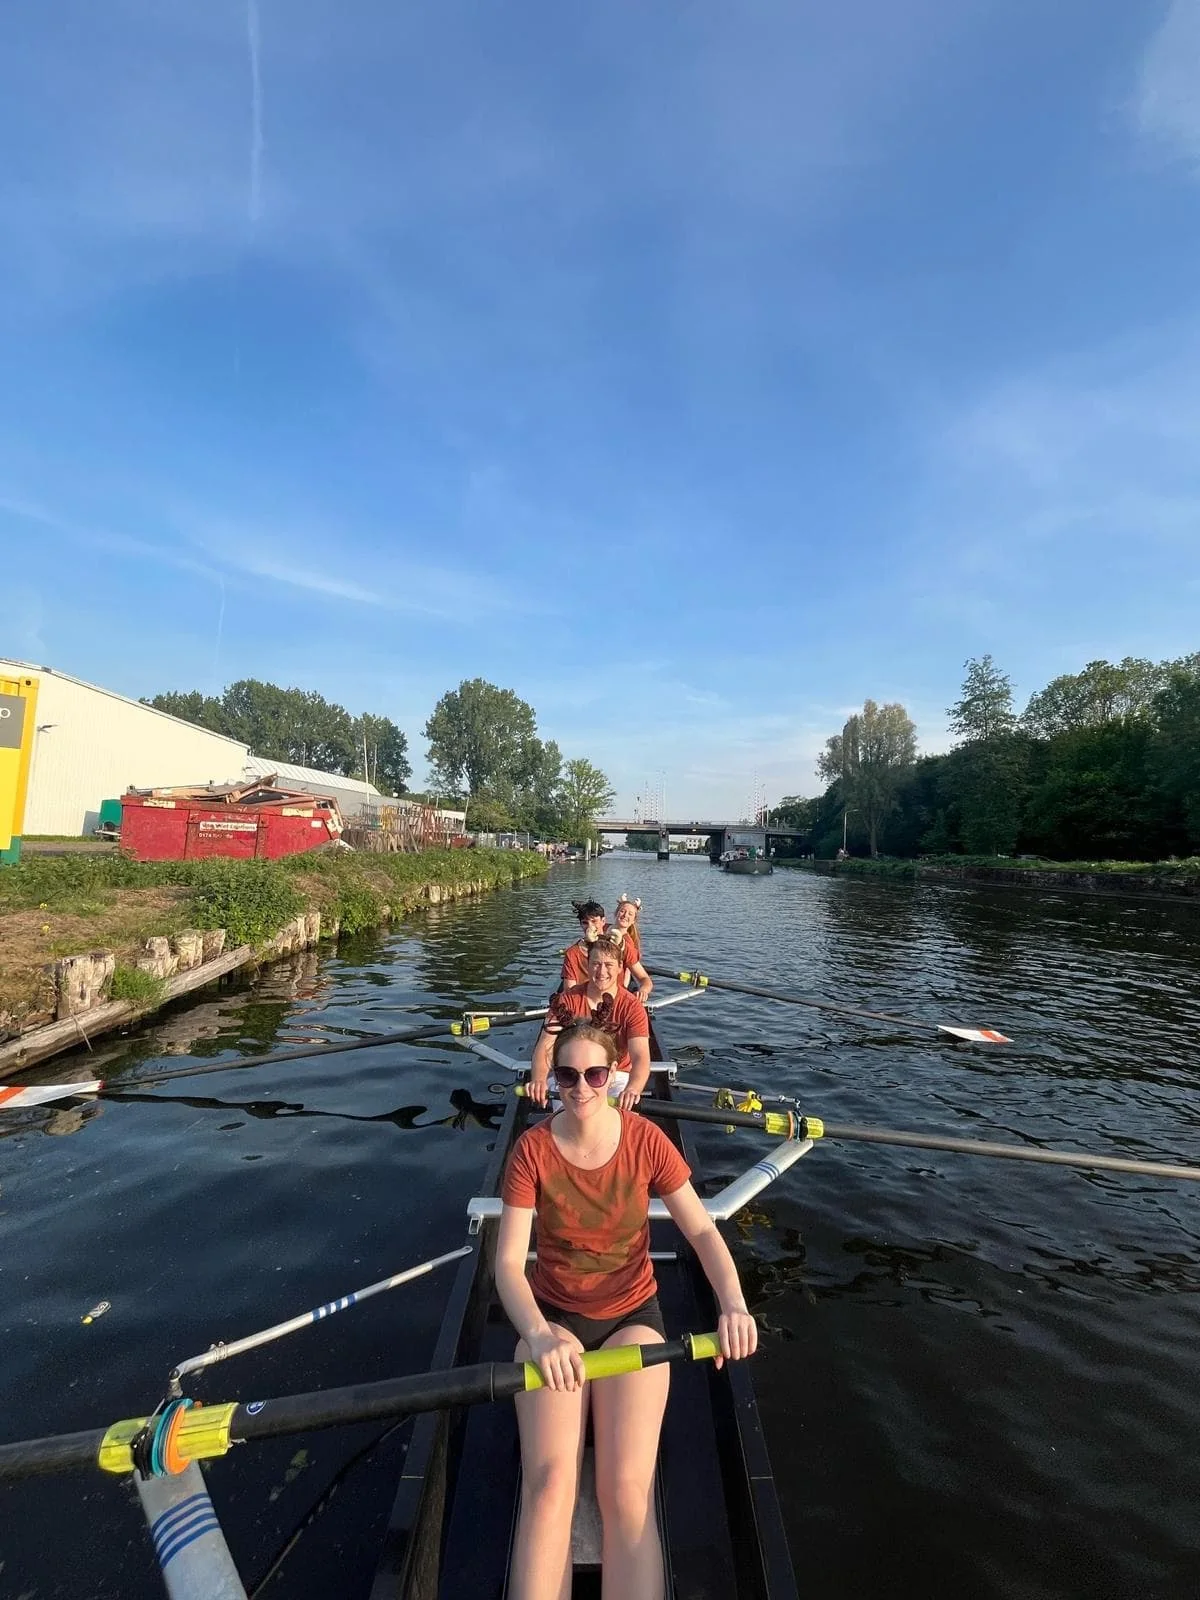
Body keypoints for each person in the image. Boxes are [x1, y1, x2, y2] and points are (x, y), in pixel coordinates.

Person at [497, 1023, 757, 1600]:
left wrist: (733, 1305)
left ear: (614, 1076)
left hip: (630, 1319)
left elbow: (702, 1233)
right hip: (554, 1320)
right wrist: (538, 1335)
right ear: (553, 1078)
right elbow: (509, 1264)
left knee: (625, 1493)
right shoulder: (532, 1150)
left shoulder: (647, 1141)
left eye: (594, 1075)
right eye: (567, 1075)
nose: (580, 1088)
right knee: (550, 1488)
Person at [533, 935, 650, 1108]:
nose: (601, 972)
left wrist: (633, 1088)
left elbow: (640, 1056)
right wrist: (538, 1079)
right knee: (569, 1116)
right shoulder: (566, 1000)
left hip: (616, 1075)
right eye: (596, 964)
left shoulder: (632, 1006)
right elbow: (546, 1045)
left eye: (608, 965)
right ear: (587, 965)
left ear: (620, 967)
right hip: (571, 1071)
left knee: (621, 1114)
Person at [560, 899, 608, 988]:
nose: (590, 926)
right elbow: (569, 989)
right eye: (585, 923)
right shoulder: (573, 953)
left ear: (603, 921)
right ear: (581, 924)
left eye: (594, 921)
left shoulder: (615, 946)